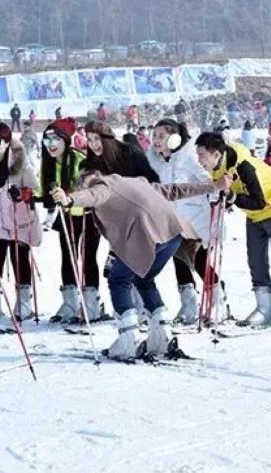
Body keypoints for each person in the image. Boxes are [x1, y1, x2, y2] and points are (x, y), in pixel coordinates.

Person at [50, 169, 229, 359]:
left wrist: (69, 199)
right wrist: (214, 186)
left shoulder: (102, 186)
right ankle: (161, 335)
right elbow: (174, 190)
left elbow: (93, 195)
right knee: (144, 279)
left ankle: (129, 338)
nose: (81, 186)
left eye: (81, 183)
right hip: (174, 234)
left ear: (91, 179)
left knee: (118, 280)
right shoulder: (135, 180)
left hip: (147, 236)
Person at [195, 132, 271, 330]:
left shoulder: (244, 166)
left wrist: (232, 197)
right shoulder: (217, 168)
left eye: (202, 156)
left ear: (216, 154)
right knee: (256, 259)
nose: (199, 161)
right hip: (254, 214)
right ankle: (265, 307)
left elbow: (259, 201)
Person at [148, 118, 227, 326]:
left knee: (199, 260)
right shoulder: (153, 160)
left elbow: (208, 182)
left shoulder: (189, 158)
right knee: (179, 260)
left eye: (161, 136)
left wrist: (217, 194)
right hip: (170, 219)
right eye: (154, 135)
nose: (156, 140)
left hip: (194, 220)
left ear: (174, 138)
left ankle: (218, 301)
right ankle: (188, 304)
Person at [0, 122, 41, 330]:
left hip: (18, 219)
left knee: (20, 260)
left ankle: (24, 304)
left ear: (6, 143)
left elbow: (35, 189)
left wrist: (22, 194)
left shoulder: (21, 162)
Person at [39, 117, 104, 324]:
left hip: (88, 215)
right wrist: (28, 193)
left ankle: (91, 303)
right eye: (47, 140)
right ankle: (69, 302)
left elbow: (90, 186)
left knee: (88, 258)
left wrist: (69, 193)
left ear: (65, 140)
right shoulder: (49, 163)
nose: (51, 145)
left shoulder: (78, 159)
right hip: (68, 216)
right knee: (67, 258)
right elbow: (43, 189)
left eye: (55, 139)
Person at [84, 121, 159, 182]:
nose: (93, 144)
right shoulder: (93, 161)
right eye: (89, 139)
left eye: (97, 138)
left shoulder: (131, 153)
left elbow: (152, 179)